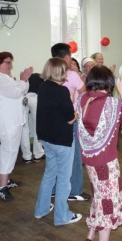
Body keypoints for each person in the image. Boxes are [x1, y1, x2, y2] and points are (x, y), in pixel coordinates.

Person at [77, 66, 122, 241]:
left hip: (89, 158)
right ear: (109, 82)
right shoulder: (111, 103)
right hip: (106, 160)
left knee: (98, 194)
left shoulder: (83, 98)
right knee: (108, 199)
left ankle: (91, 232)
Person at [34, 57, 82, 225]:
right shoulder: (61, 91)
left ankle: (41, 209)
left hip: (47, 139)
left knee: (49, 174)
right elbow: (70, 118)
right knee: (63, 179)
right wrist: (74, 106)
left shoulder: (43, 87)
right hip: (61, 140)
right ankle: (62, 216)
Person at [0, 52, 33, 201]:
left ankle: (6, 180)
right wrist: (22, 80)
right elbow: (15, 93)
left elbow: (23, 90)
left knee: (11, 152)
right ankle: (2, 187)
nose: (10, 65)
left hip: (14, 120)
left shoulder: (5, 78)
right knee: (8, 152)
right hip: (7, 122)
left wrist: (24, 81)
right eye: (7, 62)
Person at [51, 43, 90, 202]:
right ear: (67, 57)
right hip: (70, 119)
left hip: (53, 120)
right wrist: (79, 77)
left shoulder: (49, 74)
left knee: (55, 158)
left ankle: (54, 190)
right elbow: (85, 92)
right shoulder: (71, 75)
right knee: (74, 157)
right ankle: (74, 190)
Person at [20, 73, 45, 163]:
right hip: (35, 98)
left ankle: (27, 156)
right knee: (37, 127)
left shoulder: (29, 78)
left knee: (24, 127)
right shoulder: (41, 78)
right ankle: (38, 154)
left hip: (24, 98)